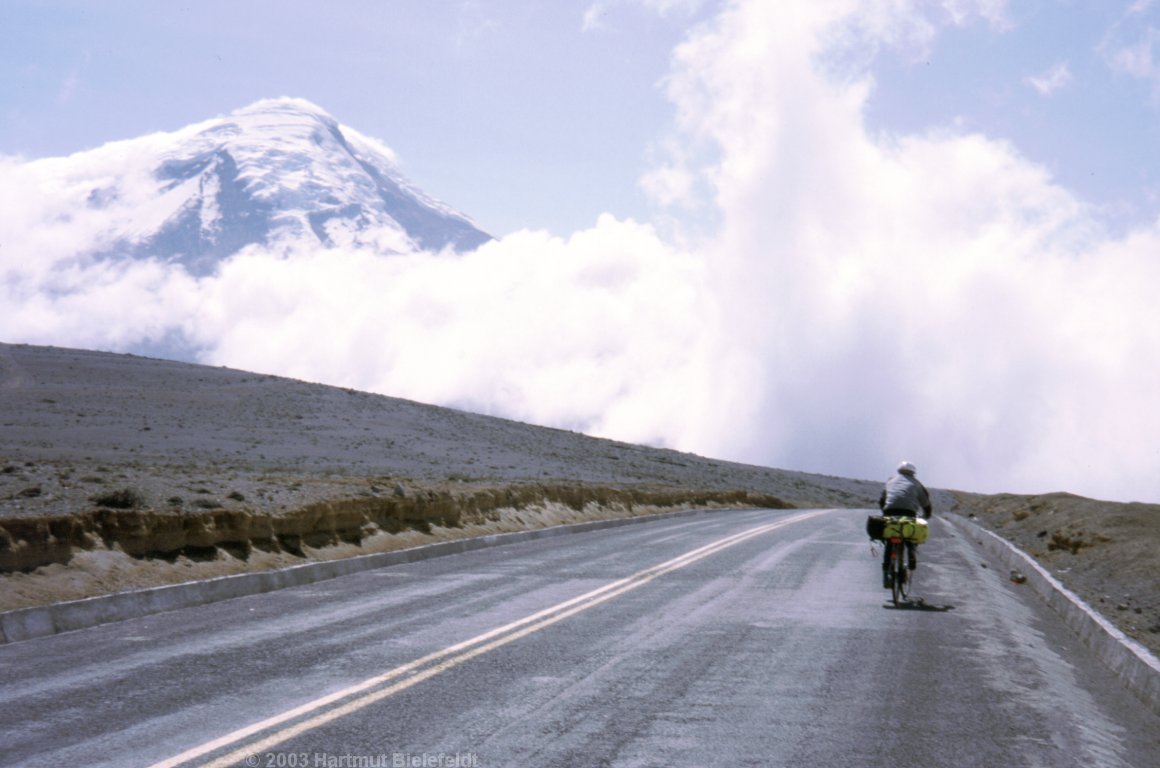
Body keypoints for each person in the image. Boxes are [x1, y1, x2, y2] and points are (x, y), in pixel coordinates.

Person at [878, 461, 932, 575]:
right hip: (909, 512)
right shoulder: (917, 484)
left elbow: (882, 500)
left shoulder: (890, 481)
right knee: (909, 534)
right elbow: (926, 503)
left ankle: (886, 568)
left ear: (899, 471)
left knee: (890, 538)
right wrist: (927, 515)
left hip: (890, 511)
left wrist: (885, 512)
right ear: (913, 473)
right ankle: (911, 554)